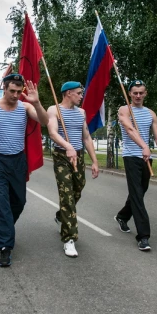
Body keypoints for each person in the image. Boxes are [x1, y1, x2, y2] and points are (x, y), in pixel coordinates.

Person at [0, 73, 48, 267]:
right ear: (4, 88)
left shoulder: (25, 107)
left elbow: (44, 121)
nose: (16, 95)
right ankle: (5, 248)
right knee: (2, 205)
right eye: (12, 91)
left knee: (19, 202)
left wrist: (38, 102)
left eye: (19, 91)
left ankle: (4, 226)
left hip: (17, 161)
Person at [113, 80, 157, 251]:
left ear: (145, 93)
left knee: (140, 192)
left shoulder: (151, 114)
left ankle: (122, 216)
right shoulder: (124, 110)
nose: (138, 96)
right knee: (137, 196)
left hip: (146, 159)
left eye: (141, 92)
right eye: (135, 93)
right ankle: (143, 237)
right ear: (130, 94)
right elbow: (130, 129)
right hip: (131, 157)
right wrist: (143, 146)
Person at [47, 81, 99, 258]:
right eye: (78, 93)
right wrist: (66, 145)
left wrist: (94, 161)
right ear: (68, 93)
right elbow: (53, 132)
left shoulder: (81, 113)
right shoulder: (54, 109)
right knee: (67, 196)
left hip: (78, 155)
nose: (81, 96)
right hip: (62, 156)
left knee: (78, 188)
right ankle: (69, 238)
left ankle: (61, 215)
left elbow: (86, 137)